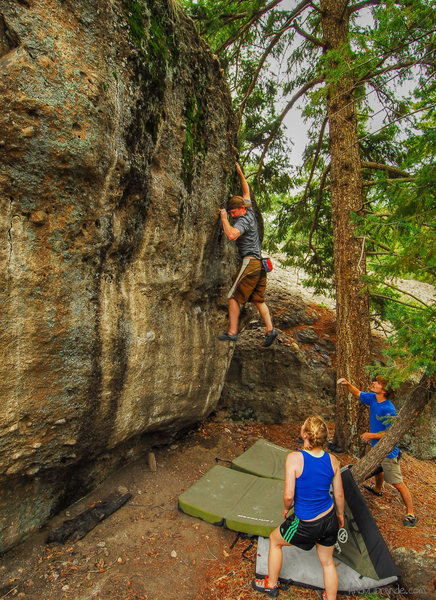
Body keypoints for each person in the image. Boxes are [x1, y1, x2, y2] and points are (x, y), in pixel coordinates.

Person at [252, 416, 344, 598]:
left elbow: (288, 495)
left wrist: (287, 508)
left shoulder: (294, 458)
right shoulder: (332, 460)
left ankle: (271, 585)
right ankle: (330, 597)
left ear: (304, 434)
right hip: (330, 517)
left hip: (307, 522)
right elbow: (339, 494)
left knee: (275, 540)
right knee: (327, 562)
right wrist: (340, 515)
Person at [337, 376, 417, 527]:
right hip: (376, 449)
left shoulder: (389, 409)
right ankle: (378, 489)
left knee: (398, 483)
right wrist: (348, 384)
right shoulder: (373, 398)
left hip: (388, 453)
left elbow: (391, 433)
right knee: (378, 469)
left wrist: (370, 435)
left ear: (384, 390)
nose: (373, 383)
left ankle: (411, 513)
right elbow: (358, 393)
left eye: (377, 383)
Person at [219, 162, 278, 347]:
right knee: (258, 300)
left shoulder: (243, 220)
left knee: (234, 297)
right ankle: (270, 329)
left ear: (241, 209)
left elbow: (231, 235)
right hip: (260, 265)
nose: (232, 215)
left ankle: (232, 332)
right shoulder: (249, 210)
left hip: (250, 263)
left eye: (234, 212)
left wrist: (223, 219)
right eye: (230, 212)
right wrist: (240, 173)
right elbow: (246, 191)